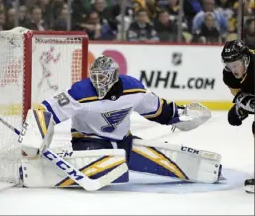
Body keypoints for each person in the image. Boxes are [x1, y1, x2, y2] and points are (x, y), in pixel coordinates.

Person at [21, 55, 221, 188]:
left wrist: (181, 115)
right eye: (95, 77)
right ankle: (36, 171)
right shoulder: (80, 92)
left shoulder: (134, 89)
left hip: (123, 141)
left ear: (115, 76)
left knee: (127, 159)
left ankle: (204, 168)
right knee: (117, 169)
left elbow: (158, 109)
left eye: (104, 77)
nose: (98, 82)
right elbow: (46, 109)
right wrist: (34, 134)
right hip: (88, 141)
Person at [221, 40, 255, 194]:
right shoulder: (228, 75)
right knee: (233, 117)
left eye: (235, 65)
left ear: (246, 60)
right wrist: (244, 105)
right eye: (229, 65)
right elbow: (238, 94)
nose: (232, 70)